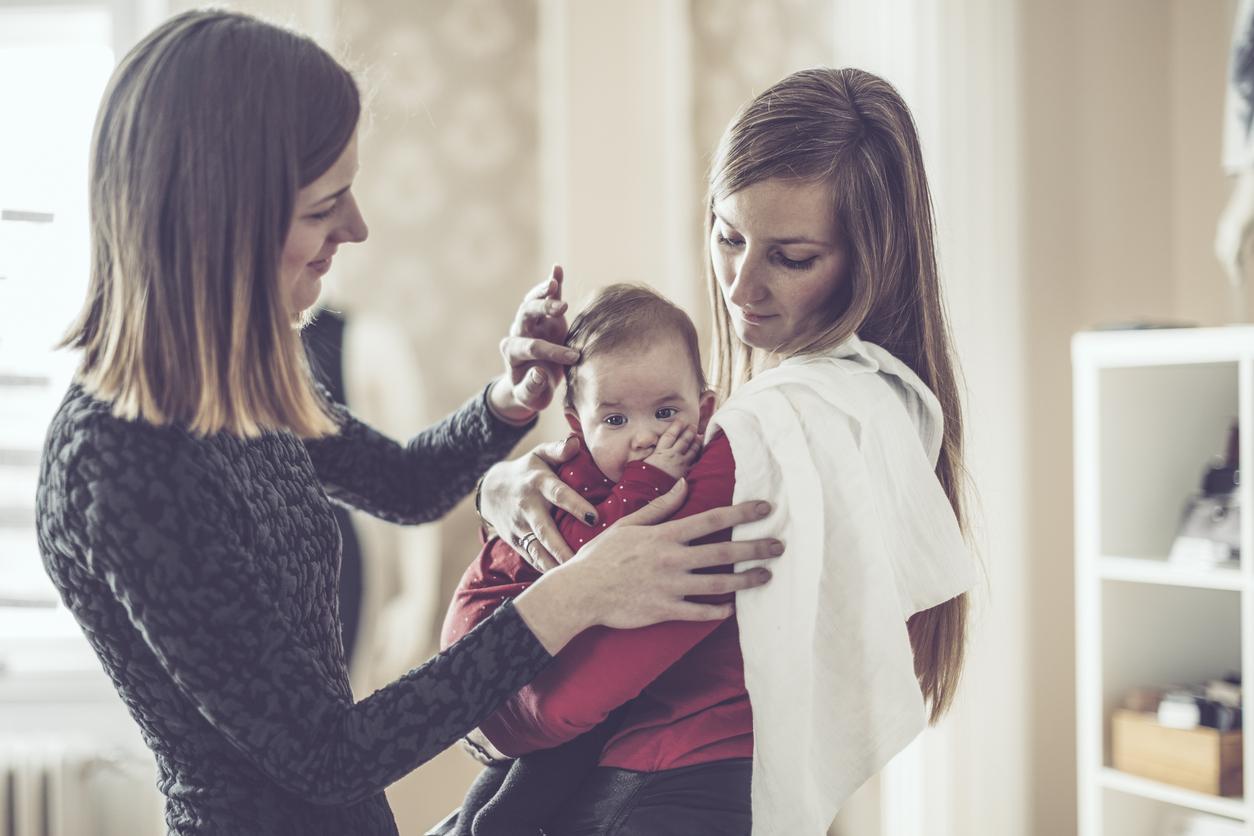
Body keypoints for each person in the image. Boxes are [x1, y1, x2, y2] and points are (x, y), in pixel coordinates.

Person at [33, 11, 782, 836]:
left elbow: (404, 484)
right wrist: (581, 592)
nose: (355, 228)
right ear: (226, 224)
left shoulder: (238, 386)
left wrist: (510, 401)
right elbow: (326, 756)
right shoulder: (119, 462)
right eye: (325, 207)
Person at [475, 67, 977, 835]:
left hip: (652, 797)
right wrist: (505, 482)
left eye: (793, 257)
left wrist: (473, 679)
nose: (742, 286)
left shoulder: (763, 439)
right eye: (728, 235)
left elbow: (551, 710)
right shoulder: (883, 407)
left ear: (870, 259)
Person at [436, 284, 727, 835]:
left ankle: (476, 823)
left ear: (704, 408)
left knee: (566, 748)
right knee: (566, 749)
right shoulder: (574, 477)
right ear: (578, 423)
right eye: (614, 420)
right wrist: (650, 481)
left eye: (666, 412)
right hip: (493, 621)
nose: (644, 437)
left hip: (534, 645)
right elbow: (586, 556)